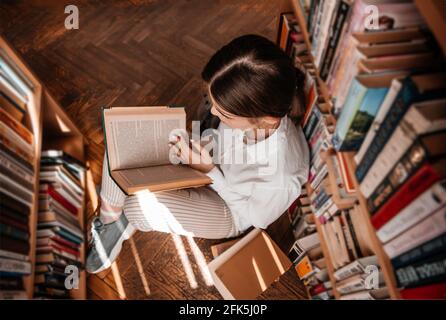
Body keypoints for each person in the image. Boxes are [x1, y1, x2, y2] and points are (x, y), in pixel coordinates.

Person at [86, 34, 309, 273]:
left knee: (137, 207)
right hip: (212, 163)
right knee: (124, 139)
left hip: (229, 210)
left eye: (224, 113)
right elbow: (223, 140)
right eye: (215, 104)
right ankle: (111, 217)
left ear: (264, 119)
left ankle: (116, 207)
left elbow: (255, 218)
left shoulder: (282, 177)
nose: (213, 111)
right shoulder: (256, 115)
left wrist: (210, 171)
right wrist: (199, 148)